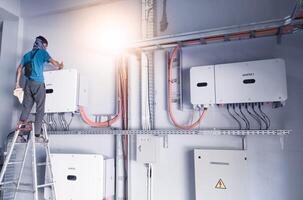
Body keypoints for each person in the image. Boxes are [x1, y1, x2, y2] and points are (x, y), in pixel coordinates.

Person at [15, 36, 64, 137]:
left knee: (26, 108)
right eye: (46, 46)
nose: (46, 48)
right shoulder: (43, 53)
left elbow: (19, 69)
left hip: (28, 84)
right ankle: (37, 133)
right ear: (43, 44)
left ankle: (19, 133)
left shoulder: (27, 55)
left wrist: (17, 84)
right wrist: (60, 66)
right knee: (40, 108)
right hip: (38, 84)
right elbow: (53, 62)